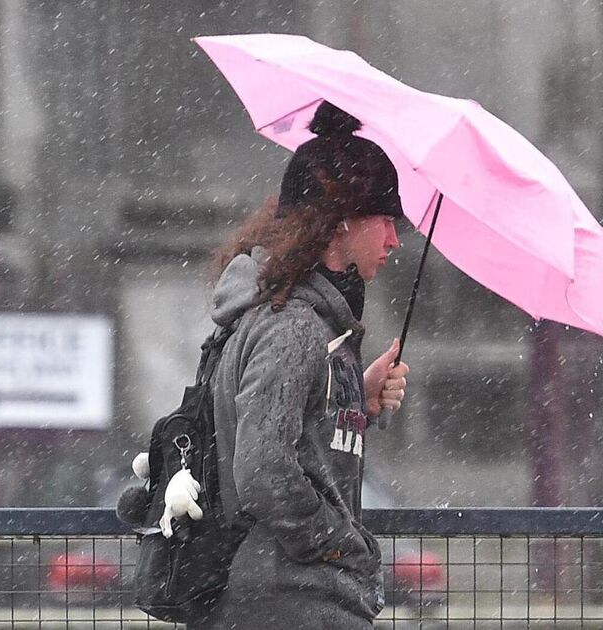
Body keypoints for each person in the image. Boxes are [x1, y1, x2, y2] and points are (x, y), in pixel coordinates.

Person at [189, 101, 411, 630]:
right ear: (338, 226)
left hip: (290, 598)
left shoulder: (301, 323)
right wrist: (339, 546)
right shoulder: (293, 327)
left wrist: (356, 392)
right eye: (384, 220)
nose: (394, 240)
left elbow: (286, 430)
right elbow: (263, 468)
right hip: (291, 600)